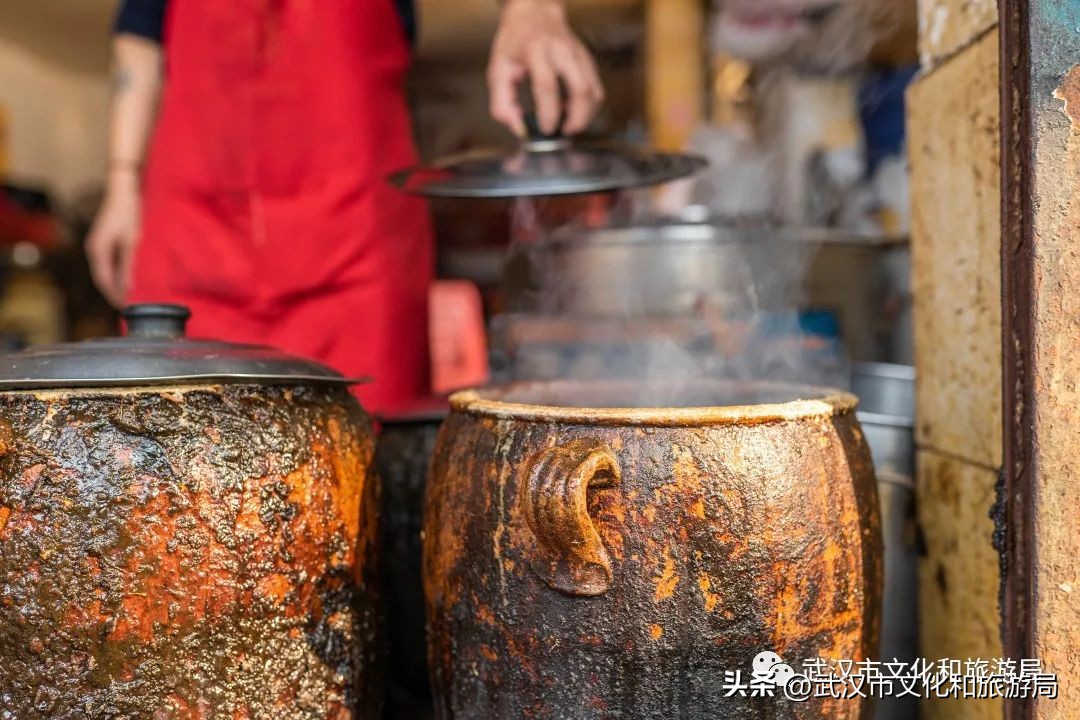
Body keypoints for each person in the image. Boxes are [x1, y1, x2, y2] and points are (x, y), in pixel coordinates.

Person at [88, 0, 603, 413]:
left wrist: (531, 10)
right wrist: (121, 183)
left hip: (357, 245)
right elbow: (139, 49)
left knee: (367, 467)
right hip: (192, 234)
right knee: (168, 467)